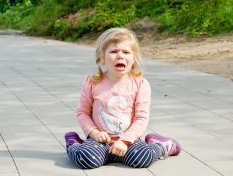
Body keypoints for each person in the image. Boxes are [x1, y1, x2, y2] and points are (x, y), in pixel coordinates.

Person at [65, 27, 181, 169]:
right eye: (114, 51)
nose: (120, 56)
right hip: (99, 140)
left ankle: (161, 146)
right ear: (102, 57)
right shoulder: (92, 82)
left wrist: (125, 140)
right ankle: (73, 144)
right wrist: (94, 133)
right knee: (85, 158)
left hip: (128, 141)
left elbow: (141, 118)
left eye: (126, 52)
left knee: (143, 158)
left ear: (133, 59)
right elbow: (82, 112)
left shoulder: (140, 84)